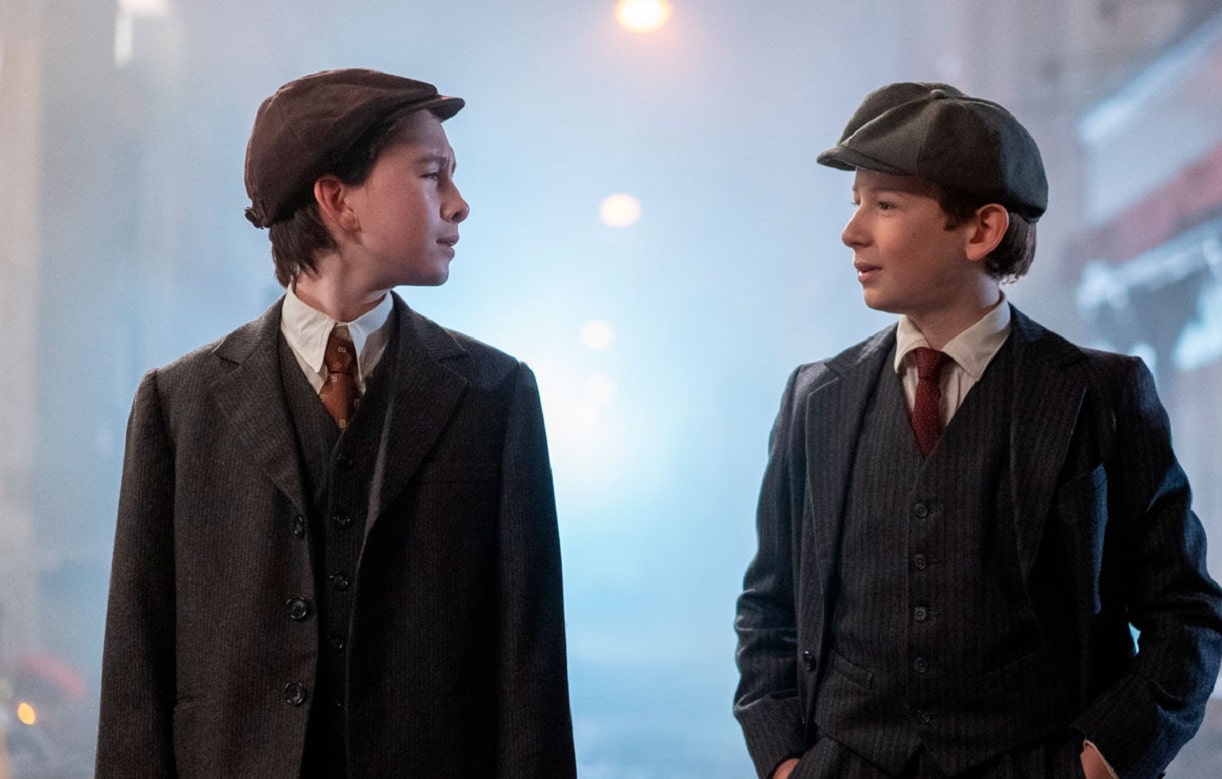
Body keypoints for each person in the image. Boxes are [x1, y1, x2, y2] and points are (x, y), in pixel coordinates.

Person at [733, 82, 1222, 779]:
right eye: (855, 203)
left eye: (885, 205)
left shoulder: (1101, 394)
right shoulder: (817, 398)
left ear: (982, 230)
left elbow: (1185, 612)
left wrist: (1106, 760)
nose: (853, 231)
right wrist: (784, 760)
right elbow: (768, 605)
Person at [96, 68, 576, 778]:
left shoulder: (495, 396)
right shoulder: (179, 405)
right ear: (338, 200)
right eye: (432, 175)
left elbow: (530, 669)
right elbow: (136, 670)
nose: (458, 203)